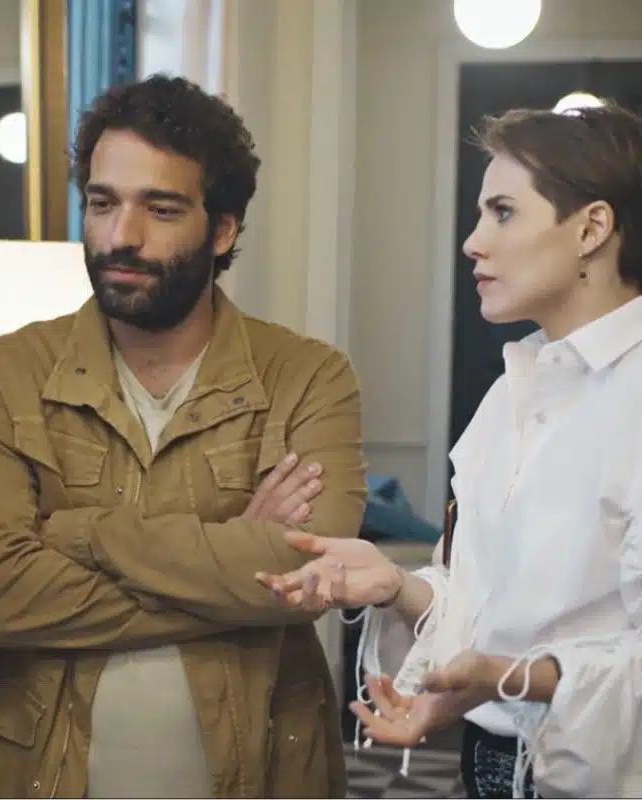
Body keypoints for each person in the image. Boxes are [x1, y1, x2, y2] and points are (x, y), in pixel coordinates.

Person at [0, 74, 368, 798]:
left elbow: (308, 575)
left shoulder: (307, 376)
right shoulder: (4, 375)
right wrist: (236, 553)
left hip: (261, 774)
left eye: (160, 209)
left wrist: (77, 534)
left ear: (222, 229)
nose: (121, 237)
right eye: (102, 203)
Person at [259, 104, 642, 798]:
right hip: (488, 767)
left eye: (502, 213)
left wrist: (509, 676)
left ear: (591, 228)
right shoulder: (513, 390)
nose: (472, 242)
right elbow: (489, 606)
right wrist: (397, 586)